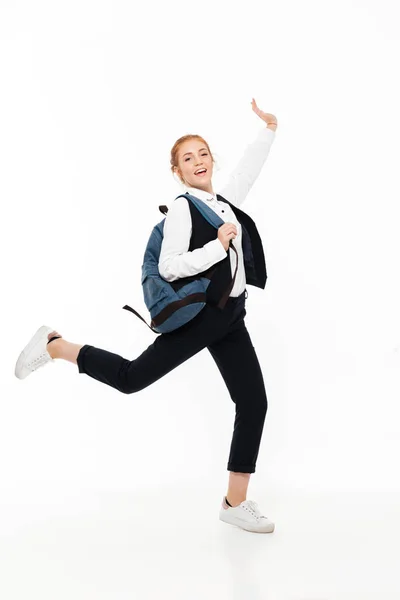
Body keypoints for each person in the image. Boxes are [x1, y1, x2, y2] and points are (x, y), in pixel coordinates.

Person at [15, 98, 278, 534]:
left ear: (213, 160)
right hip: (200, 318)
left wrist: (269, 129)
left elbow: (248, 171)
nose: (198, 161)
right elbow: (170, 265)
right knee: (132, 379)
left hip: (231, 316)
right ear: (177, 171)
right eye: (188, 157)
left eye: (204, 153)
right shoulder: (181, 207)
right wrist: (217, 245)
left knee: (253, 401)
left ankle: (235, 502)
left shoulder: (222, 201)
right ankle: (55, 345)